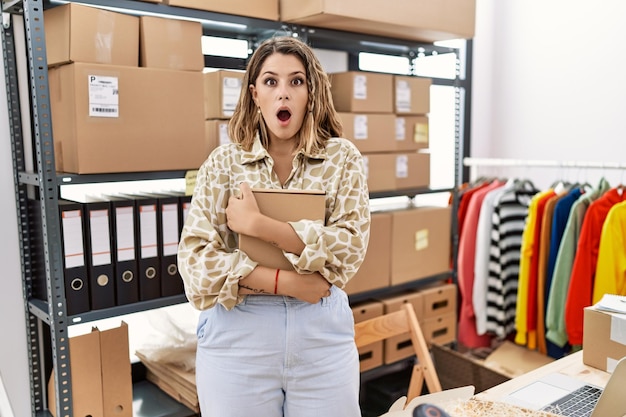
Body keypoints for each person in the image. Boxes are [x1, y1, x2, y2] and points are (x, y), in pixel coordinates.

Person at [177, 35, 371, 417]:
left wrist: (259, 225)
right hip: (239, 331)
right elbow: (197, 267)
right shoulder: (222, 164)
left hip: (321, 337)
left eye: (296, 81)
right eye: (271, 81)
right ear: (254, 94)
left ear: (310, 92)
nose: (283, 93)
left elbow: (349, 249)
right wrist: (290, 281)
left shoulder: (342, 157)